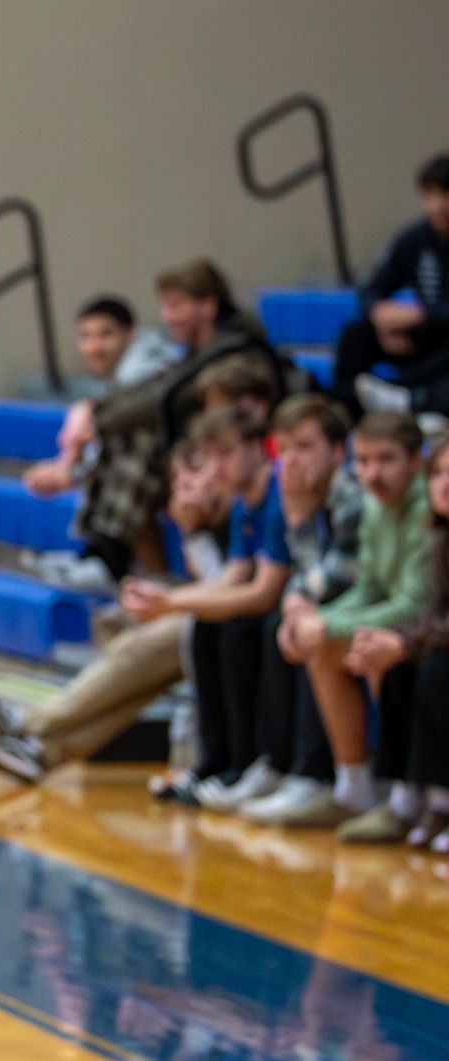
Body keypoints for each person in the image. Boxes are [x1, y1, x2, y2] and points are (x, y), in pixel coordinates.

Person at [123, 399, 357, 811]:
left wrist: (172, 602)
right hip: (307, 601)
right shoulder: (244, 502)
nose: (218, 467)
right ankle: (222, 762)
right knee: (208, 624)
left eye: (226, 453)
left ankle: (276, 764)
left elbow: (265, 592)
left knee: (254, 629)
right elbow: (232, 576)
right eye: (211, 456)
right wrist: (174, 599)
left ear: (256, 448)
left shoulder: (285, 497)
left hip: (321, 609)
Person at [0, 438, 230, 780]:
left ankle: (27, 723)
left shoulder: (246, 511)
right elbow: (209, 580)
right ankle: (42, 752)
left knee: (146, 646)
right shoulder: (207, 519)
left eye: (193, 475)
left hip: (231, 618)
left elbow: (236, 587)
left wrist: (171, 602)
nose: (185, 487)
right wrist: (192, 532)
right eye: (178, 479)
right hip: (212, 613)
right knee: (116, 627)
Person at [271, 412, 434, 827]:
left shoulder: (428, 509)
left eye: (386, 459)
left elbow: (415, 604)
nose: (372, 473)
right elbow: (368, 586)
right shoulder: (375, 506)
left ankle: (410, 792)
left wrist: (327, 626)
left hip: (427, 630)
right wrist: (318, 622)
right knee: (324, 649)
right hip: (404, 622)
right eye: (363, 461)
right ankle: (354, 787)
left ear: (416, 460)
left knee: (369, 650)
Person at [74, 259, 282, 580]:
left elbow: (159, 400)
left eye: (175, 305)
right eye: (165, 306)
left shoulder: (235, 353)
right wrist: (93, 411)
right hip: (198, 454)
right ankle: (120, 562)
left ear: (208, 306)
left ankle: (114, 559)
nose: (166, 316)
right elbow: (153, 391)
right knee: (134, 444)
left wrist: (96, 419)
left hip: (232, 459)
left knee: (140, 448)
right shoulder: (196, 352)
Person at [341, 439, 449, 850]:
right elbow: (436, 611)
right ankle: (411, 795)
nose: (444, 484)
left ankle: (442, 796)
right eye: (438, 474)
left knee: (436, 670)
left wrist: (405, 643)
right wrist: (395, 642)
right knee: (397, 668)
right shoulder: (441, 538)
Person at [23, 296, 174, 498]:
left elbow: (118, 438)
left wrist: (69, 474)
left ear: (130, 332)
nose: (93, 347)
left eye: (105, 335)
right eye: (85, 336)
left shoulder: (147, 371)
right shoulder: (135, 364)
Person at [335, 153, 449, 419]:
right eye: (429, 196)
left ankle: (410, 399)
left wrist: (421, 315)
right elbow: (372, 289)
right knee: (356, 334)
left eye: (445, 195)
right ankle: (344, 413)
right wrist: (381, 318)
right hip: (422, 339)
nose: (437, 206)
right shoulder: (415, 239)